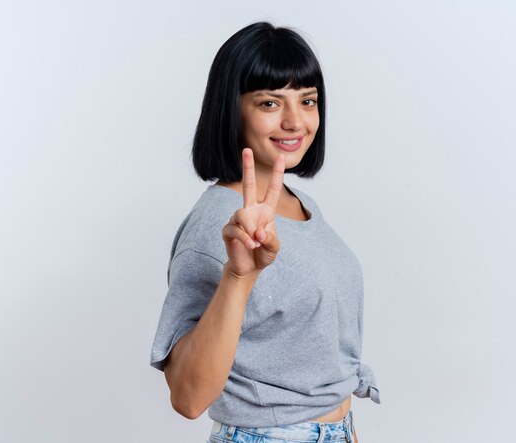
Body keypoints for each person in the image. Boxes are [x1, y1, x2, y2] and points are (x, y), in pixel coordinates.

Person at [150, 21, 380, 443]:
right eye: (270, 103)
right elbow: (187, 397)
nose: (295, 121)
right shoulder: (216, 224)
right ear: (231, 108)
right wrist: (239, 277)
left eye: (307, 101)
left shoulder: (300, 204)